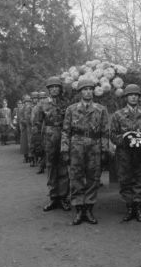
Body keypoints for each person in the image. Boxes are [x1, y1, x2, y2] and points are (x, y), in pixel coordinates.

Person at [61, 78, 109, 225]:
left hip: (94, 147)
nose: (87, 92)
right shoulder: (71, 109)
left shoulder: (101, 109)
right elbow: (65, 131)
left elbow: (105, 132)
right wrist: (64, 148)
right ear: (80, 92)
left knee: (93, 178)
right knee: (76, 177)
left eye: (90, 89)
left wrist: (105, 149)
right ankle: (79, 209)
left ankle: (89, 208)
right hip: (76, 146)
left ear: (93, 91)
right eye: (84, 89)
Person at [110, 84, 141, 222]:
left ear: (139, 97)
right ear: (126, 98)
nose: (134, 97)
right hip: (124, 154)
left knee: (140, 180)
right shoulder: (118, 115)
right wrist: (124, 140)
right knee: (125, 180)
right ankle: (129, 207)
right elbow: (112, 135)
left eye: (136, 95)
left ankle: (138, 207)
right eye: (131, 95)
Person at [33, 77, 71, 211]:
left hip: (64, 135)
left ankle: (63, 197)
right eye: (52, 87)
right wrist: (37, 143)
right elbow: (36, 124)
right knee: (51, 166)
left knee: (63, 167)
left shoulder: (66, 103)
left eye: (57, 87)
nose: (54, 89)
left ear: (60, 89)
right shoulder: (42, 104)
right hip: (49, 136)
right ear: (48, 89)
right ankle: (53, 197)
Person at [19, 94, 32, 162]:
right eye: (26, 101)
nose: (27, 103)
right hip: (25, 128)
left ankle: (31, 157)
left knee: (31, 143)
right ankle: (25, 156)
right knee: (24, 143)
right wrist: (27, 122)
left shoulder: (32, 108)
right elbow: (21, 119)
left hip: (31, 128)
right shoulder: (21, 109)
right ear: (24, 102)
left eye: (28, 101)